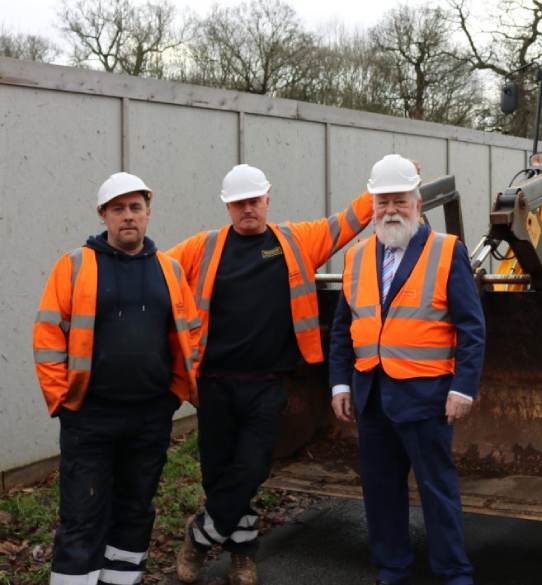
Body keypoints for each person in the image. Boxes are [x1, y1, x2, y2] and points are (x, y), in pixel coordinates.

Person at [169, 163, 373, 585]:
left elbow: (348, 221)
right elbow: (157, 274)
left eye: (254, 200)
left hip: (268, 383)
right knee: (219, 473)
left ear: (268, 199)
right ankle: (243, 553)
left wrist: (388, 185)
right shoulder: (202, 248)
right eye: (239, 203)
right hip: (213, 383)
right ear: (227, 205)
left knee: (253, 467)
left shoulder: (295, 241)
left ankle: (199, 536)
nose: (248, 209)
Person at [32, 172, 200, 585]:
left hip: (149, 417)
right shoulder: (75, 266)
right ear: (103, 215)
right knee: (82, 514)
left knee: (135, 509)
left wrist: (175, 391)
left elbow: (190, 333)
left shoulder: (170, 270)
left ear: (148, 213)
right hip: (90, 417)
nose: (128, 216)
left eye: (135, 208)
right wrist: (64, 400)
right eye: (118, 209)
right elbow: (48, 335)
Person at [329, 154, 486, 585]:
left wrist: (463, 388)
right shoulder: (356, 257)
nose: (390, 210)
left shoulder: (445, 250)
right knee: (380, 494)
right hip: (372, 397)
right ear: (372, 206)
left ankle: (453, 573)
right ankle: (392, 570)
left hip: (426, 399)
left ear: (418, 202)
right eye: (382, 202)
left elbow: (472, 326)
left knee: (437, 492)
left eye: (399, 200)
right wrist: (340, 383)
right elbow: (344, 329)